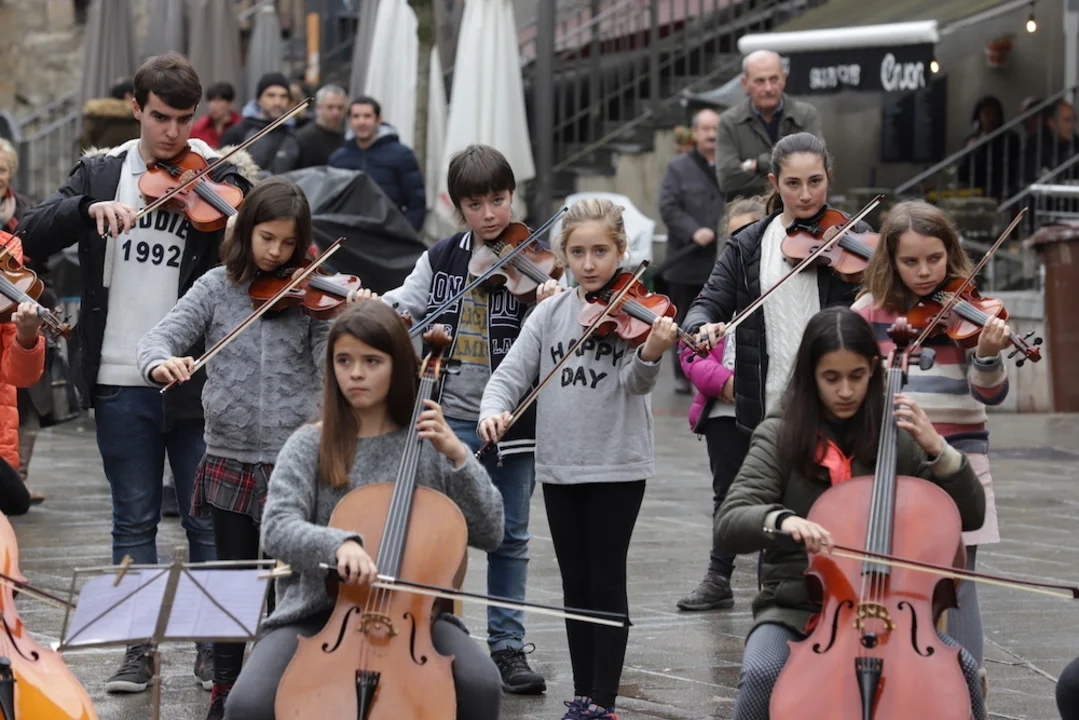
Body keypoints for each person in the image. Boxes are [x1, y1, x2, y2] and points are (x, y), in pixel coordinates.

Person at [18, 52, 252, 694]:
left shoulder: (220, 176)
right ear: (136, 109)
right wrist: (85, 211)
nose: (172, 134)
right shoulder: (102, 172)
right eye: (159, 118)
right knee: (132, 518)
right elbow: (31, 233)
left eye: (183, 120)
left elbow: (266, 250)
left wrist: (238, 223)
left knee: (208, 522)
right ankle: (136, 651)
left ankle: (216, 653)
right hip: (120, 374)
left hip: (199, 377)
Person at [222, 300, 505, 720]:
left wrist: (459, 457)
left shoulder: (428, 446)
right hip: (316, 615)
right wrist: (338, 546)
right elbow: (277, 528)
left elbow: (491, 532)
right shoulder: (309, 444)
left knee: (482, 684)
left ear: (398, 366)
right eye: (344, 361)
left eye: (371, 361)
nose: (355, 373)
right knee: (247, 704)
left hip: (415, 619)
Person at [136, 178, 351, 720]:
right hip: (230, 456)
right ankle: (225, 692)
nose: (276, 253)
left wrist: (352, 318)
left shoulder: (310, 297)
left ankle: (287, 690)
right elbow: (157, 338)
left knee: (291, 588)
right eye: (266, 238)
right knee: (232, 581)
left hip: (292, 463)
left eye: (288, 243)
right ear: (246, 229)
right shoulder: (216, 287)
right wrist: (162, 363)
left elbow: (334, 370)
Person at [715, 306, 987, 720]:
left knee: (963, 668)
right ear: (811, 376)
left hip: (893, 613)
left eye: (857, 376)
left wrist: (939, 449)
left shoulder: (895, 435)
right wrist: (782, 520)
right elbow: (731, 520)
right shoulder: (780, 433)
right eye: (831, 378)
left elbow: (970, 515)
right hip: (795, 608)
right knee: (762, 672)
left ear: (873, 371)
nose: (845, 390)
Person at [480, 198, 677, 720]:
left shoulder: (636, 314)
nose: (590, 264)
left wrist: (652, 352)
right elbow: (510, 374)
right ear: (563, 256)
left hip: (617, 465)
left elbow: (635, 384)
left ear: (621, 250)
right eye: (578, 252)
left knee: (606, 579)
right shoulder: (549, 314)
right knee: (574, 583)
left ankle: (603, 702)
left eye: (601, 251)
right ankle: (584, 694)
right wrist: (493, 410)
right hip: (560, 467)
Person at [381, 144, 545, 695]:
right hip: (444, 418)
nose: (490, 214)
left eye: (498, 200)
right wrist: (378, 307)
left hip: (511, 423)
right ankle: (437, 635)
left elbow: (560, 324)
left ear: (512, 196)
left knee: (510, 535)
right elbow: (406, 303)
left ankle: (507, 646)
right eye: (476, 205)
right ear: (459, 207)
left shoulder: (537, 260)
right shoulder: (441, 258)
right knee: (435, 531)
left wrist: (549, 297)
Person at [854, 199, 1010, 698]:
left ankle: (966, 691)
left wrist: (987, 356)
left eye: (935, 259)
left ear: (951, 254)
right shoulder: (867, 313)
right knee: (893, 580)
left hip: (959, 462)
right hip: (891, 465)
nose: (924, 272)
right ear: (890, 261)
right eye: (910, 261)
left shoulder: (972, 314)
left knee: (959, 584)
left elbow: (991, 395)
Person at [684, 132, 870, 438]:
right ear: (775, 182)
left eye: (815, 181)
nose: (806, 195)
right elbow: (706, 304)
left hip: (838, 409)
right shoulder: (748, 244)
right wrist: (701, 325)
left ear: (829, 176)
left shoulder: (855, 235)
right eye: (793, 184)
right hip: (767, 409)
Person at [675, 196, 766, 612]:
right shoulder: (721, 288)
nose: (743, 244)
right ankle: (718, 576)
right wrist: (727, 383)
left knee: (777, 492)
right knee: (726, 494)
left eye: (753, 234)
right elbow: (690, 351)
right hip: (726, 409)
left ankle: (772, 580)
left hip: (771, 405)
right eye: (735, 237)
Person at [658, 108, 725, 395]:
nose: (711, 134)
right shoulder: (678, 167)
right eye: (705, 129)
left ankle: (715, 371)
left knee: (718, 318)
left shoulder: (730, 166)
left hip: (720, 259)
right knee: (683, 318)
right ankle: (683, 374)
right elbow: (668, 206)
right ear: (694, 133)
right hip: (686, 259)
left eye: (716, 128)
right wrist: (693, 230)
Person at [716, 50, 822, 202]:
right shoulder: (729, 122)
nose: (768, 88)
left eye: (774, 79)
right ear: (745, 84)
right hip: (750, 212)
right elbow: (728, 180)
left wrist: (758, 164)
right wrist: (790, 178)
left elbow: (816, 165)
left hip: (801, 209)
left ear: (784, 79)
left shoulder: (805, 115)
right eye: (760, 81)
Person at [328, 96, 426, 231]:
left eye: (367, 116)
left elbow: (416, 202)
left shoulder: (402, 155)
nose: (361, 122)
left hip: (388, 234)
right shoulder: (338, 159)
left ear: (378, 119)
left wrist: (405, 234)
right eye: (356, 116)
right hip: (349, 234)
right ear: (350, 121)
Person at [221, 72, 301, 176]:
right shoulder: (238, 132)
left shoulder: (294, 135)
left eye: (283, 96)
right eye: (271, 95)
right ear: (259, 99)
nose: (277, 102)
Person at [957, 95, 1021, 200]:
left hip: (1000, 192)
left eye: (994, 114)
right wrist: (970, 152)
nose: (991, 118)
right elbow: (962, 173)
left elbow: (1009, 169)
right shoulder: (972, 140)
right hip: (975, 192)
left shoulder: (1009, 138)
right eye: (986, 114)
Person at [79, 78, 141, 151]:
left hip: (97, 157)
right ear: (127, 96)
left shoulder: (95, 115)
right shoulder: (133, 119)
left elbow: (84, 144)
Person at [295, 84, 347, 169]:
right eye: (330, 107)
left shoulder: (346, 139)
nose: (336, 113)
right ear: (319, 108)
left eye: (340, 108)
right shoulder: (304, 139)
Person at [191, 82, 241, 149]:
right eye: (210, 100)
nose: (213, 105)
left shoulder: (241, 127)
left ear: (230, 103)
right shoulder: (198, 128)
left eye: (218, 100)